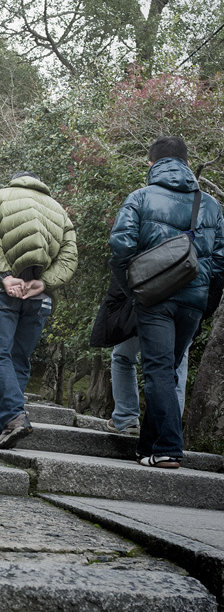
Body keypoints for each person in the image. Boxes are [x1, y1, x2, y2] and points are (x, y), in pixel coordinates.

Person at [109, 135, 224, 468]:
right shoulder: (211, 205)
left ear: (151, 164)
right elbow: (220, 263)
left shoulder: (140, 198)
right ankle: (148, 447)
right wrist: (205, 301)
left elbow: (120, 248)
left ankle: (170, 448)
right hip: (193, 300)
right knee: (167, 371)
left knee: (158, 371)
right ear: (187, 164)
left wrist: (135, 289)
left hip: (154, 298)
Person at [0, 171, 78, 447]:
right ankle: (4, 425)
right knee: (19, 359)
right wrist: (43, 283)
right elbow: (69, 257)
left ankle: (14, 417)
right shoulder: (59, 212)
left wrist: (5, 275)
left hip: (4, 290)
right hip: (38, 296)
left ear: (14, 181)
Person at [90, 277, 189, 436]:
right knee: (177, 365)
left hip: (150, 299)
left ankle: (126, 417)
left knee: (123, 357)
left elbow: (124, 260)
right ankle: (169, 429)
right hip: (190, 302)